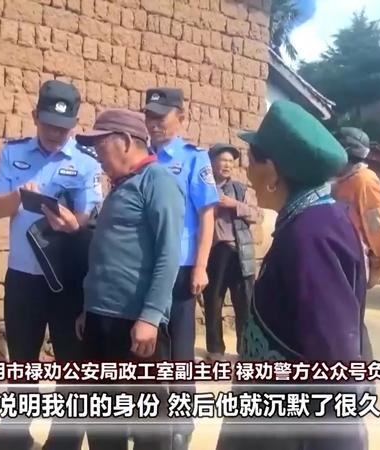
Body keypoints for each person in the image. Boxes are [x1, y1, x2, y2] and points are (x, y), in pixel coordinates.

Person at [216, 100, 369, 450]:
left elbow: (333, 359)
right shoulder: (314, 219)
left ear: (272, 171)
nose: (247, 173)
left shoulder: (311, 237)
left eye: (251, 161)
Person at [0, 79, 102, 450]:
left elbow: (89, 216)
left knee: (72, 366)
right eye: (50, 125)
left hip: (67, 280)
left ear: (74, 124)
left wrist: (74, 223)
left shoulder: (86, 163)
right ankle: (14, 439)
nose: (56, 133)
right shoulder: (14, 153)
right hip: (23, 278)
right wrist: (18, 197)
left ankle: (63, 442)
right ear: (35, 115)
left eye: (64, 127)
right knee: (22, 364)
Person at [73, 108, 183, 450]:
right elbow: (107, 253)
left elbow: (169, 254)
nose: (98, 157)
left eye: (101, 147)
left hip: (135, 323)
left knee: (147, 425)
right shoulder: (121, 186)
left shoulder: (158, 181)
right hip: (100, 318)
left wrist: (151, 316)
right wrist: (89, 309)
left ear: (124, 142)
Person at [143, 87, 218, 449]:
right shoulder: (141, 155)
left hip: (182, 270)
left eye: (161, 117)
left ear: (181, 118)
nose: (154, 124)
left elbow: (207, 216)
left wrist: (201, 265)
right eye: (149, 117)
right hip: (146, 269)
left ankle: (181, 427)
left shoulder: (193, 159)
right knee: (149, 349)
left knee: (181, 352)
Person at [202, 143, 260, 360]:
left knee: (245, 303)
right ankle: (215, 350)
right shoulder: (204, 188)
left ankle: (245, 350)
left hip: (239, 253)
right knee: (213, 301)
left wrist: (234, 204)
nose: (227, 165)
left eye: (230, 161)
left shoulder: (240, 190)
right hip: (214, 252)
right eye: (223, 160)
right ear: (212, 163)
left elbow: (256, 215)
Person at [331, 127, 380, 288]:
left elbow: (378, 227)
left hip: (353, 263)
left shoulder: (365, 182)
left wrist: (379, 265)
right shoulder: (339, 181)